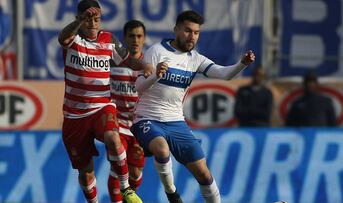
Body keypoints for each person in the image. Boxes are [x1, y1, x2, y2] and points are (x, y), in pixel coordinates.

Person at [130, 10, 255, 203]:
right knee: (162, 150)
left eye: (196, 32)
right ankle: (172, 194)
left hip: (176, 122)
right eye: (187, 31)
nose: (192, 36)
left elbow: (224, 74)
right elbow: (138, 87)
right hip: (147, 118)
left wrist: (242, 64)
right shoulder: (156, 51)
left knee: (204, 174)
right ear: (176, 29)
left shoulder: (195, 59)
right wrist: (155, 76)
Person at [58, 1, 151, 202]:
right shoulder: (73, 40)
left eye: (96, 19)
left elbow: (128, 60)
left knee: (112, 137)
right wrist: (79, 22)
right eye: (87, 19)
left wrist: (145, 65)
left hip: (102, 105)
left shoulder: (109, 40)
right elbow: (62, 37)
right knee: (86, 172)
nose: (93, 23)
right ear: (79, 20)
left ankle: (125, 188)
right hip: (75, 115)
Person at [108, 20, 147, 203]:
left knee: (136, 172)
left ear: (144, 39)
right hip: (117, 125)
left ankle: (127, 198)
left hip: (139, 126)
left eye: (139, 36)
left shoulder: (149, 66)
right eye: (131, 36)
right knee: (117, 168)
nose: (135, 40)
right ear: (124, 38)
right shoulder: (112, 63)